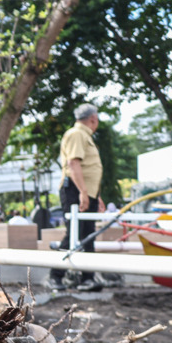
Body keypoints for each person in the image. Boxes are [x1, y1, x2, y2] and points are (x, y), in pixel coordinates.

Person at [49, 103, 105, 291]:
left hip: (84, 191)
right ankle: (55, 275)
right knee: (74, 232)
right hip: (74, 190)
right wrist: (82, 192)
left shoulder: (84, 136)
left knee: (88, 234)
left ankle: (88, 277)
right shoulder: (77, 134)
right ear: (93, 119)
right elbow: (73, 164)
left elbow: (88, 169)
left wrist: (96, 195)